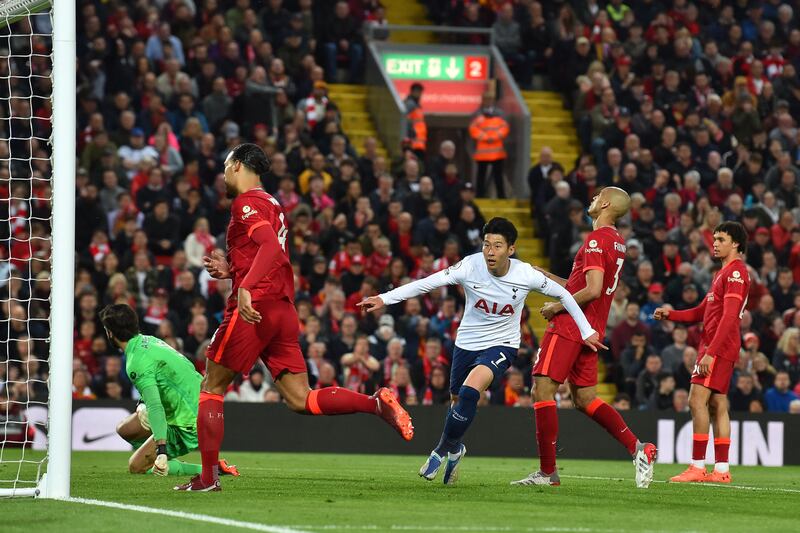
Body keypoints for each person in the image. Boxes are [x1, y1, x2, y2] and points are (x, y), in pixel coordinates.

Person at [176, 144, 413, 491]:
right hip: (282, 308)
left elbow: (270, 248)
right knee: (300, 399)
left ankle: (208, 478)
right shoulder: (273, 203)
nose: (224, 175)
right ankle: (375, 404)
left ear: (238, 165)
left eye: (227, 167)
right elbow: (267, 253)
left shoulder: (245, 203)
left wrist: (245, 287)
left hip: (254, 307)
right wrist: (234, 271)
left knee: (211, 387)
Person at [358, 217, 603, 485]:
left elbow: (565, 294)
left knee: (470, 390)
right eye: (487, 244)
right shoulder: (470, 266)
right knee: (456, 404)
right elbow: (427, 282)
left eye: (497, 246)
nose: (490, 251)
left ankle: (439, 452)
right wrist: (384, 298)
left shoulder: (526, 274)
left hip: (503, 344)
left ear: (511, 249)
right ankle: (455, 449)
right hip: (466, 343)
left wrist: (586, 329)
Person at [513, 187, 658, 489]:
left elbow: (591, 289)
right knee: (584, 399)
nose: (591, 199)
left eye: (596, 196)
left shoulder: (595, 239)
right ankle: (638, 447)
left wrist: (557, 305)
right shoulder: (616, 242)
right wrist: (545, 277)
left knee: (542, 390)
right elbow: (581, 284)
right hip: (592, 328)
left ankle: (547, 473)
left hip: (570, 326)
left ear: (605, 204)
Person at [654, 221, 751, 484]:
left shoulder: (735, 273)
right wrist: (671, 314)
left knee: (696, 400)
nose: (715, 243)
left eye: (721, 239)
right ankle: (721, 470)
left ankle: (697, 467)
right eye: (715, 239)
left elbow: (730, 316)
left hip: (716, 347)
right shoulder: (722, 273)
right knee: (717, 403)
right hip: (717, 346)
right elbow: (701, 311)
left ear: (736, 244)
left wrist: (711, 352)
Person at [100, 304, 239, 479]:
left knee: (135, 466)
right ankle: (155, 455)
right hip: (198, 401)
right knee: (125, 429)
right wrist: (142, 404)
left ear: (110, 333)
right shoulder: (149, 340)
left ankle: (210, 469)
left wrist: (162, 450)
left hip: (189, 422)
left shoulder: (136, 362)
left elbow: (156, 406)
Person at [469, 96, 510, 198]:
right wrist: (486, 137)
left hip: (497, 152)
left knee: (498, 176)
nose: (488, 102)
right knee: (481, 176)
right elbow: (473, 129)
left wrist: (493, 137)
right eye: (486, 99)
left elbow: (505, 128)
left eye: (490, 99)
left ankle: (501, 196)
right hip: (482, 153)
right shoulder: (477, 115)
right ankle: (479, 196)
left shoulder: (499, 114)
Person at [404, 83, 427, 160]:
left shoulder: (417, 106)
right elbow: (405, 122)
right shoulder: (409, 104)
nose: (419, 94)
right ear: (412, 92)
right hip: (412, 144)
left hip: (419, 144)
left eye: (420, 92)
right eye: (417, 91)